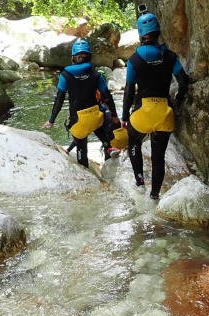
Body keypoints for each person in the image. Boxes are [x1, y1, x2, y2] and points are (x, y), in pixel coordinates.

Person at [121, 12, 190, 200]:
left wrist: (125, 116)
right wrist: (179, 96)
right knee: (158, 156)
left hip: (142, 113)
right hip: (164, 114)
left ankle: (140, 181)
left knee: (133, 141)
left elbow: (128, 91)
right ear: (158, 32)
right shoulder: (170, 56)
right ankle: (154, 195)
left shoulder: (134, 60)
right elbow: (183, 81)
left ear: (141, 35)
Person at [42, 40, 119, 167]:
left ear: (73, 57)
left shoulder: (65, 75)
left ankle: (84, 168)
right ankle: (108, 151)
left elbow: (59, 99)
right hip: (96, 117)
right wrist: (115, 116)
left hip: (78, 121)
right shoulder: (96, 75)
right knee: (105, 138)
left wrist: (51, 120)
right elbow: (107, 97)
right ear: (89, 56)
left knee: (81, 148)